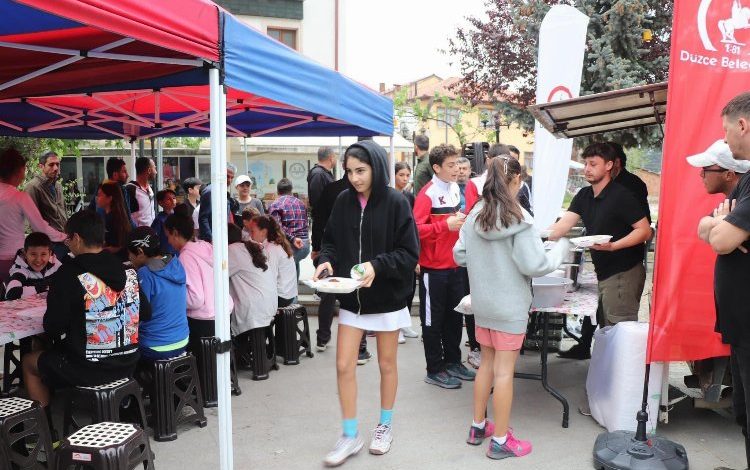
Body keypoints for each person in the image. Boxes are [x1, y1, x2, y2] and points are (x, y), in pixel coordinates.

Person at [454, 156, 570, 460]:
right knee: (504, 372)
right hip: (510, 306)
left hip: (483, 304)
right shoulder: (520, 219)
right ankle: (501, 440)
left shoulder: (475, 213)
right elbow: (535, 265)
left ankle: (478, 426)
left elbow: (460, 255)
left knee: (486, 366)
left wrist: (485, 261)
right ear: (517, 180)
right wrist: (561, 249)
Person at [313, 140, 419, 466]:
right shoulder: (343, 201)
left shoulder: (396, 201)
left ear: (375, 167)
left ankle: (384, 426)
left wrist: (377, 266)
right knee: (344, 365)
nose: (354, 178)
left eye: (360, 170)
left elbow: (409, 253)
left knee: (386, 365)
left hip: (387, 299)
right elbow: (330, 241)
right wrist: (326, 261)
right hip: (352, 299)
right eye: (349, 171)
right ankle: (350, 435)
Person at [21, 210, 150, 417]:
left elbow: (53, 327)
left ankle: (47, 429)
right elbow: (146, 313)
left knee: (29, 362)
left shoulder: (68, 274)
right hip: (129, 362)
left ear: (77, 239)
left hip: (89, 369)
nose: (67, 244)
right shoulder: (128, 270)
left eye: (68, 239)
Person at [548, 143, 651, 366]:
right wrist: (535, 236)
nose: (587, 169)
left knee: (620, 334)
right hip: (604, 272)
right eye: (585, 163)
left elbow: (644, 231)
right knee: (607, 331)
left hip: (624, 272)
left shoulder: (621, 195)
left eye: (593, 164)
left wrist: (614, 246)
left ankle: (624, 381)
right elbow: (562, 226)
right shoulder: (584, 195)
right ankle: (609, 379)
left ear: (609, 165)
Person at [703, 92, 750, 470]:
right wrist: (720, 225)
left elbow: (719, 239)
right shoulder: (746, 183)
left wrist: (723, 227)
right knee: (744, 412)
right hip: (741, 323)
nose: (725, 138)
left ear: (743, 125)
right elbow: (712, 229)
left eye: (726, 130)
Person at [414, 143, 476, 389]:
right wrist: (444, 226)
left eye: (458, 163)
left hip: (455, 266)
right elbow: (415, 230)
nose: (457, 168)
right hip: (434, 270)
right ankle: (434, 369)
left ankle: (453, 362)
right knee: (433, 321)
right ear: (436, 167)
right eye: (451, 165)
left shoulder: (454, 189)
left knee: (454, 318)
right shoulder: (426, 194)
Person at [310, 169, 373, 361]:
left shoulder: (331, 189)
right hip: (349, 253)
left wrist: (318, 248)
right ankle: (360, 348)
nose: (356, 178)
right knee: (357, 296)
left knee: (329, 295)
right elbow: (321, 219)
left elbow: (319, 219)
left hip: (334, 252)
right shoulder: (352, 193)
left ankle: (322, 338)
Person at [164, 212, 231, 356]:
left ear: (175, 233)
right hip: (224, 312)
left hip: (204, 321)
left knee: (198, 358)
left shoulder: (186, 257)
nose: (168, 241)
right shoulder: (206, 247)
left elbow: (196, 299)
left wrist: (175, 299)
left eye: (168, 236)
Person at [126, 227, 189, 374]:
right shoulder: (176, 263)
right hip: (182, 340)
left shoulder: (145, 274)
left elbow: (138, 314)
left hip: (156, 347)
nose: (129, 258)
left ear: (140, 252)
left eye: (129, 254)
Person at [0, 147, 66, 282]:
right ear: (19, 171)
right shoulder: (19, 196)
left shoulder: (56, 187)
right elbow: (40, 226)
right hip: (14, 258)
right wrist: (65, 237)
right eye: (24, 170)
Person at [692, 140, 750, 243]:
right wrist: (719, 221)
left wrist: (722, 225)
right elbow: (702, 230)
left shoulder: (745, 201)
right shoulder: (731, 201)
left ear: (728, 175)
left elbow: (719, 243)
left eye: (706, 169)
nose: (701, 174)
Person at [227, 223, 277, 335]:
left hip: (254, 314)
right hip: (270, 307)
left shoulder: (232, 250)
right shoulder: (251, 246)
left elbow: (216, 276)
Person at [246, 214, 297, 308]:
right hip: (287, 294)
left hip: (281, 297)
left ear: (263, 232)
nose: (250, 235)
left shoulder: (271, 249)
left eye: (252, 231)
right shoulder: (275, 245)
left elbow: (270, 279)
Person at [268, 178, 309, 279]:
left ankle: (290, 289)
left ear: (278, 191)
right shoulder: (301, 203)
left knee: (282, 276)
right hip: (305, 245)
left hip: (291, 244)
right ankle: (295, 289)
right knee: (294, 264)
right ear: (291, 190)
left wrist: (293, 239)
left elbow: (277, 227)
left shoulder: (275, 204)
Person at [5, 232, 61, 300]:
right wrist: (43, 286)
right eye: (33, 254)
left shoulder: (55, 264)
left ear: (50, 254)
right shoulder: (20, 270)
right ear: (25, 254)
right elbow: (11, 293)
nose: (38, 260)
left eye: (43, 254)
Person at [25, 150, 67, 233]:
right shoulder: (33, 187)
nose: (56, 168)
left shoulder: (58, 186)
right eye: (51, 165)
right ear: (41, 166)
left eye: (57, 164)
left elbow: (64, 212)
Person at [464, 143, 510, 212]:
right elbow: (470, 212)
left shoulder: (512, 181)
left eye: (504, 162)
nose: (499, 165)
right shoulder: (475, 183)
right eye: (496, 161)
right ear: (488, 161)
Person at [198, 164, 238, 242]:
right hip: (212, 241)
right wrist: (211, 239)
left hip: (223, 239)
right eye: (227, 176)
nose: (229, 180)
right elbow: (203, 218)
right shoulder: (210, 191)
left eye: (232, 178)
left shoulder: (223, 191)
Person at [96, 181, 134, 261]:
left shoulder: (115, 219)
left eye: (100, 195)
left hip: (119, 260)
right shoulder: (107, 215)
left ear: (109, 198)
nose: (97, 198)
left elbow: (117, 247)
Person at [308, 146, 336, 216]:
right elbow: (317, 201)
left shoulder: (324, 173)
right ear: (331, 158)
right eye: (335, 157)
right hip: (323, 219)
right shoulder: (318, 174)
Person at [129, 157, 156, 227]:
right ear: (149, 170)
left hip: (151, 231)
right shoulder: (131, 190)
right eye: (154, 168)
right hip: (138, 232)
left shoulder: (149, 188)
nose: (156, 172)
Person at [151, 189, 178, 255]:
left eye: (174, 198)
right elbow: (154, 238)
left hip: (178, 252)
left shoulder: (178, 216)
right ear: (160, 203)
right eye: (168, 199)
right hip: (166, 254)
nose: (173, 201)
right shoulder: (159, 219)